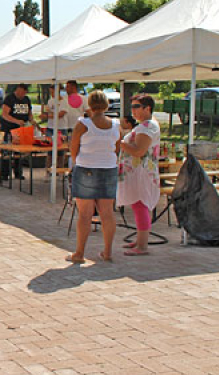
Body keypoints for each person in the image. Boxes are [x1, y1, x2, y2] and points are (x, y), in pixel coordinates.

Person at [67, 91, 120, 263]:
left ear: (89, 105)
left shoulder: (83, 124)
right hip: (108, 168)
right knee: (107, 213)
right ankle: (108, 251)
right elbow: (117, 148)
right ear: (106, 105)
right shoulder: (115, 125)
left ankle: (80, 253)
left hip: (86, 167)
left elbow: (73, 146)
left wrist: (76, 161)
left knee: (84, 214)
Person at [117, 94, 160, 256]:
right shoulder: (146, 125)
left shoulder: (147, 127)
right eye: (132, 107)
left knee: (140, 205)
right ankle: (141, 239)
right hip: (140, 172)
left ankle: (142, 246)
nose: (133, 111)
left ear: (147, 108)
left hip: (141, 173)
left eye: (136, 107)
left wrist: (119, 143)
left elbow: (139, 151)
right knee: (138, 206)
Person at [0, 84, 38, 181]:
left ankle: (18, 173)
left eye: (25, 93)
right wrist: (16, 121)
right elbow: (4, 114)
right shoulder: (9, 99)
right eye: (22, 92)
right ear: (18, 90)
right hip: (9, 129)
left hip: (22, 130)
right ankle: (4, 174)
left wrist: (32, 121)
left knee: (19, 152)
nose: (23, 95)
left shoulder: (26, 100)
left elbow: (29, 114)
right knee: (7, 152)